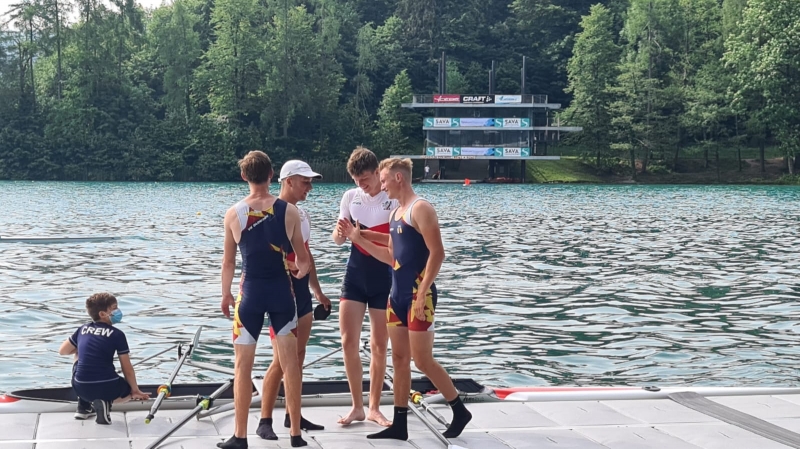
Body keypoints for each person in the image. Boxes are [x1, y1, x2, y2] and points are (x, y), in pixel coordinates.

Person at [338, 157, 472, 441]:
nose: (382, 186)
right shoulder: (395, 214)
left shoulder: (420, 208)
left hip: (419, 296)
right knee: (399, 359)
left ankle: (459, 409)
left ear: (398, 178)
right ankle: (399, 424)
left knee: (422, 360)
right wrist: (358, 238)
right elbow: (391, 255)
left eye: (384, 180)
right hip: (396, 297)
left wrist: (422, 292)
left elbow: (437, 253)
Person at [220, 150, 310, 449]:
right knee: (290, 365)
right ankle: (295, 434)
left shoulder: (233, 214)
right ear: (271, 175)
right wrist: (299, 272)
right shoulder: (290, 211)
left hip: (249, 295)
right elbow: (302, 259)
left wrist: (225, 294)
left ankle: (240, 436)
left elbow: (228, 262)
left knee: (242, 367)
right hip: (282, 293)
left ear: (243, 176)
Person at [256, 160, 331, 440]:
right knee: (280, 360)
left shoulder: (303, 214)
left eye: (310, 182)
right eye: (305, 182)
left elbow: (306, 255)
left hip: (301, 291)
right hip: (279, 291)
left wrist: (317, 290)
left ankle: (293, 414)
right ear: (288, 181)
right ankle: (264, 419)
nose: (309, 187)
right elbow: (260, 256)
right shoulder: (270, 212)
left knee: (298, 356)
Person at [331, 147, 397, 427]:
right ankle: (357, 406)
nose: (361, 185)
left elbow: (395, 246)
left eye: (366, 179)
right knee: (348, 342)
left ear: (377, 172)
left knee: (379, 345)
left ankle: (374, 407)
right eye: (356, 180)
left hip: (384, 276)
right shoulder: (350, 197)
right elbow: (338, 239)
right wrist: (340, 233)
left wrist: (359, 236)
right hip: (355, 275)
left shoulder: (391, 199)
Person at [58, 292, 151, 425]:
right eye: (114, 308)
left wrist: (82, 347)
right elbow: (127, 368)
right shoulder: (118, 335)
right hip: (107, 387)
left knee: (78, 354)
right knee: (128, 393)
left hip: (80, 388)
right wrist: (135, 390)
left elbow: (63, 351)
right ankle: (105, 402)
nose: (118, 311)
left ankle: (83, 406)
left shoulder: (82, 329)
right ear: (102, 314)